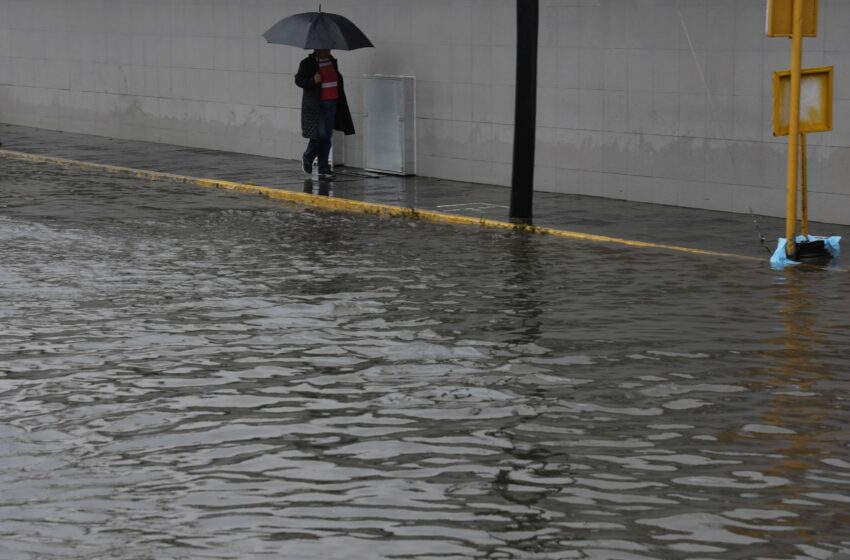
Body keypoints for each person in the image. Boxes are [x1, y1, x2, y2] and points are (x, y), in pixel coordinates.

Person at [294, 49, 355, 180]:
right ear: (317, 49)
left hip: (332, 103)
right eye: (324, 48)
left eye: (329, 48)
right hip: (317, 105)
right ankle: (308, 156)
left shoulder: (332, 61)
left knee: (327, 137)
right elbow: (298, 80)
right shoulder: (307, 63)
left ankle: (323, 169)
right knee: (320, 134)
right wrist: (313, 80)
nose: (327, 50)